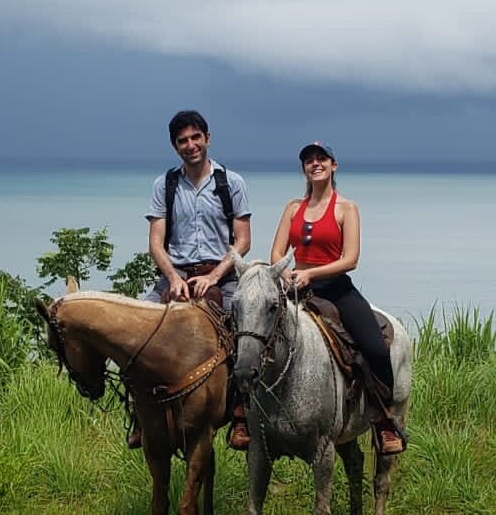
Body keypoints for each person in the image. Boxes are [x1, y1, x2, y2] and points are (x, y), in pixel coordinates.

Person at [269, 140, 405, 455]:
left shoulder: (346, 208)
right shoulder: (293, 208)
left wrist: (312, 274)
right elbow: (277, 250)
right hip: (294, 287)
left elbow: (351, 258)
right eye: (309, 160)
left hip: (336, 288)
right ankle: (247, 416)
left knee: (374, 347)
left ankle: (383, 420)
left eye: (321, 159)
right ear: (304, 168)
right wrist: (287, 271)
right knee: (255, 335)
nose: (315, 164)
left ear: (334, 165)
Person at [128, 109, 252, 450]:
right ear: (174, 146)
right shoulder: (164, 185)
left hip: (221, 272)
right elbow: (156, 241)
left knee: (246, 329)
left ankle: (242, 414)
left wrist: (213, 276)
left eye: (196, 137)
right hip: (178, 273)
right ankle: (140, 416)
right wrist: (173, 278)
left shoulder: (231, 182)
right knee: (137, 328)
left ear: (207, 139)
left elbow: (242, 240)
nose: (190, 145)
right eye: (182, 140)